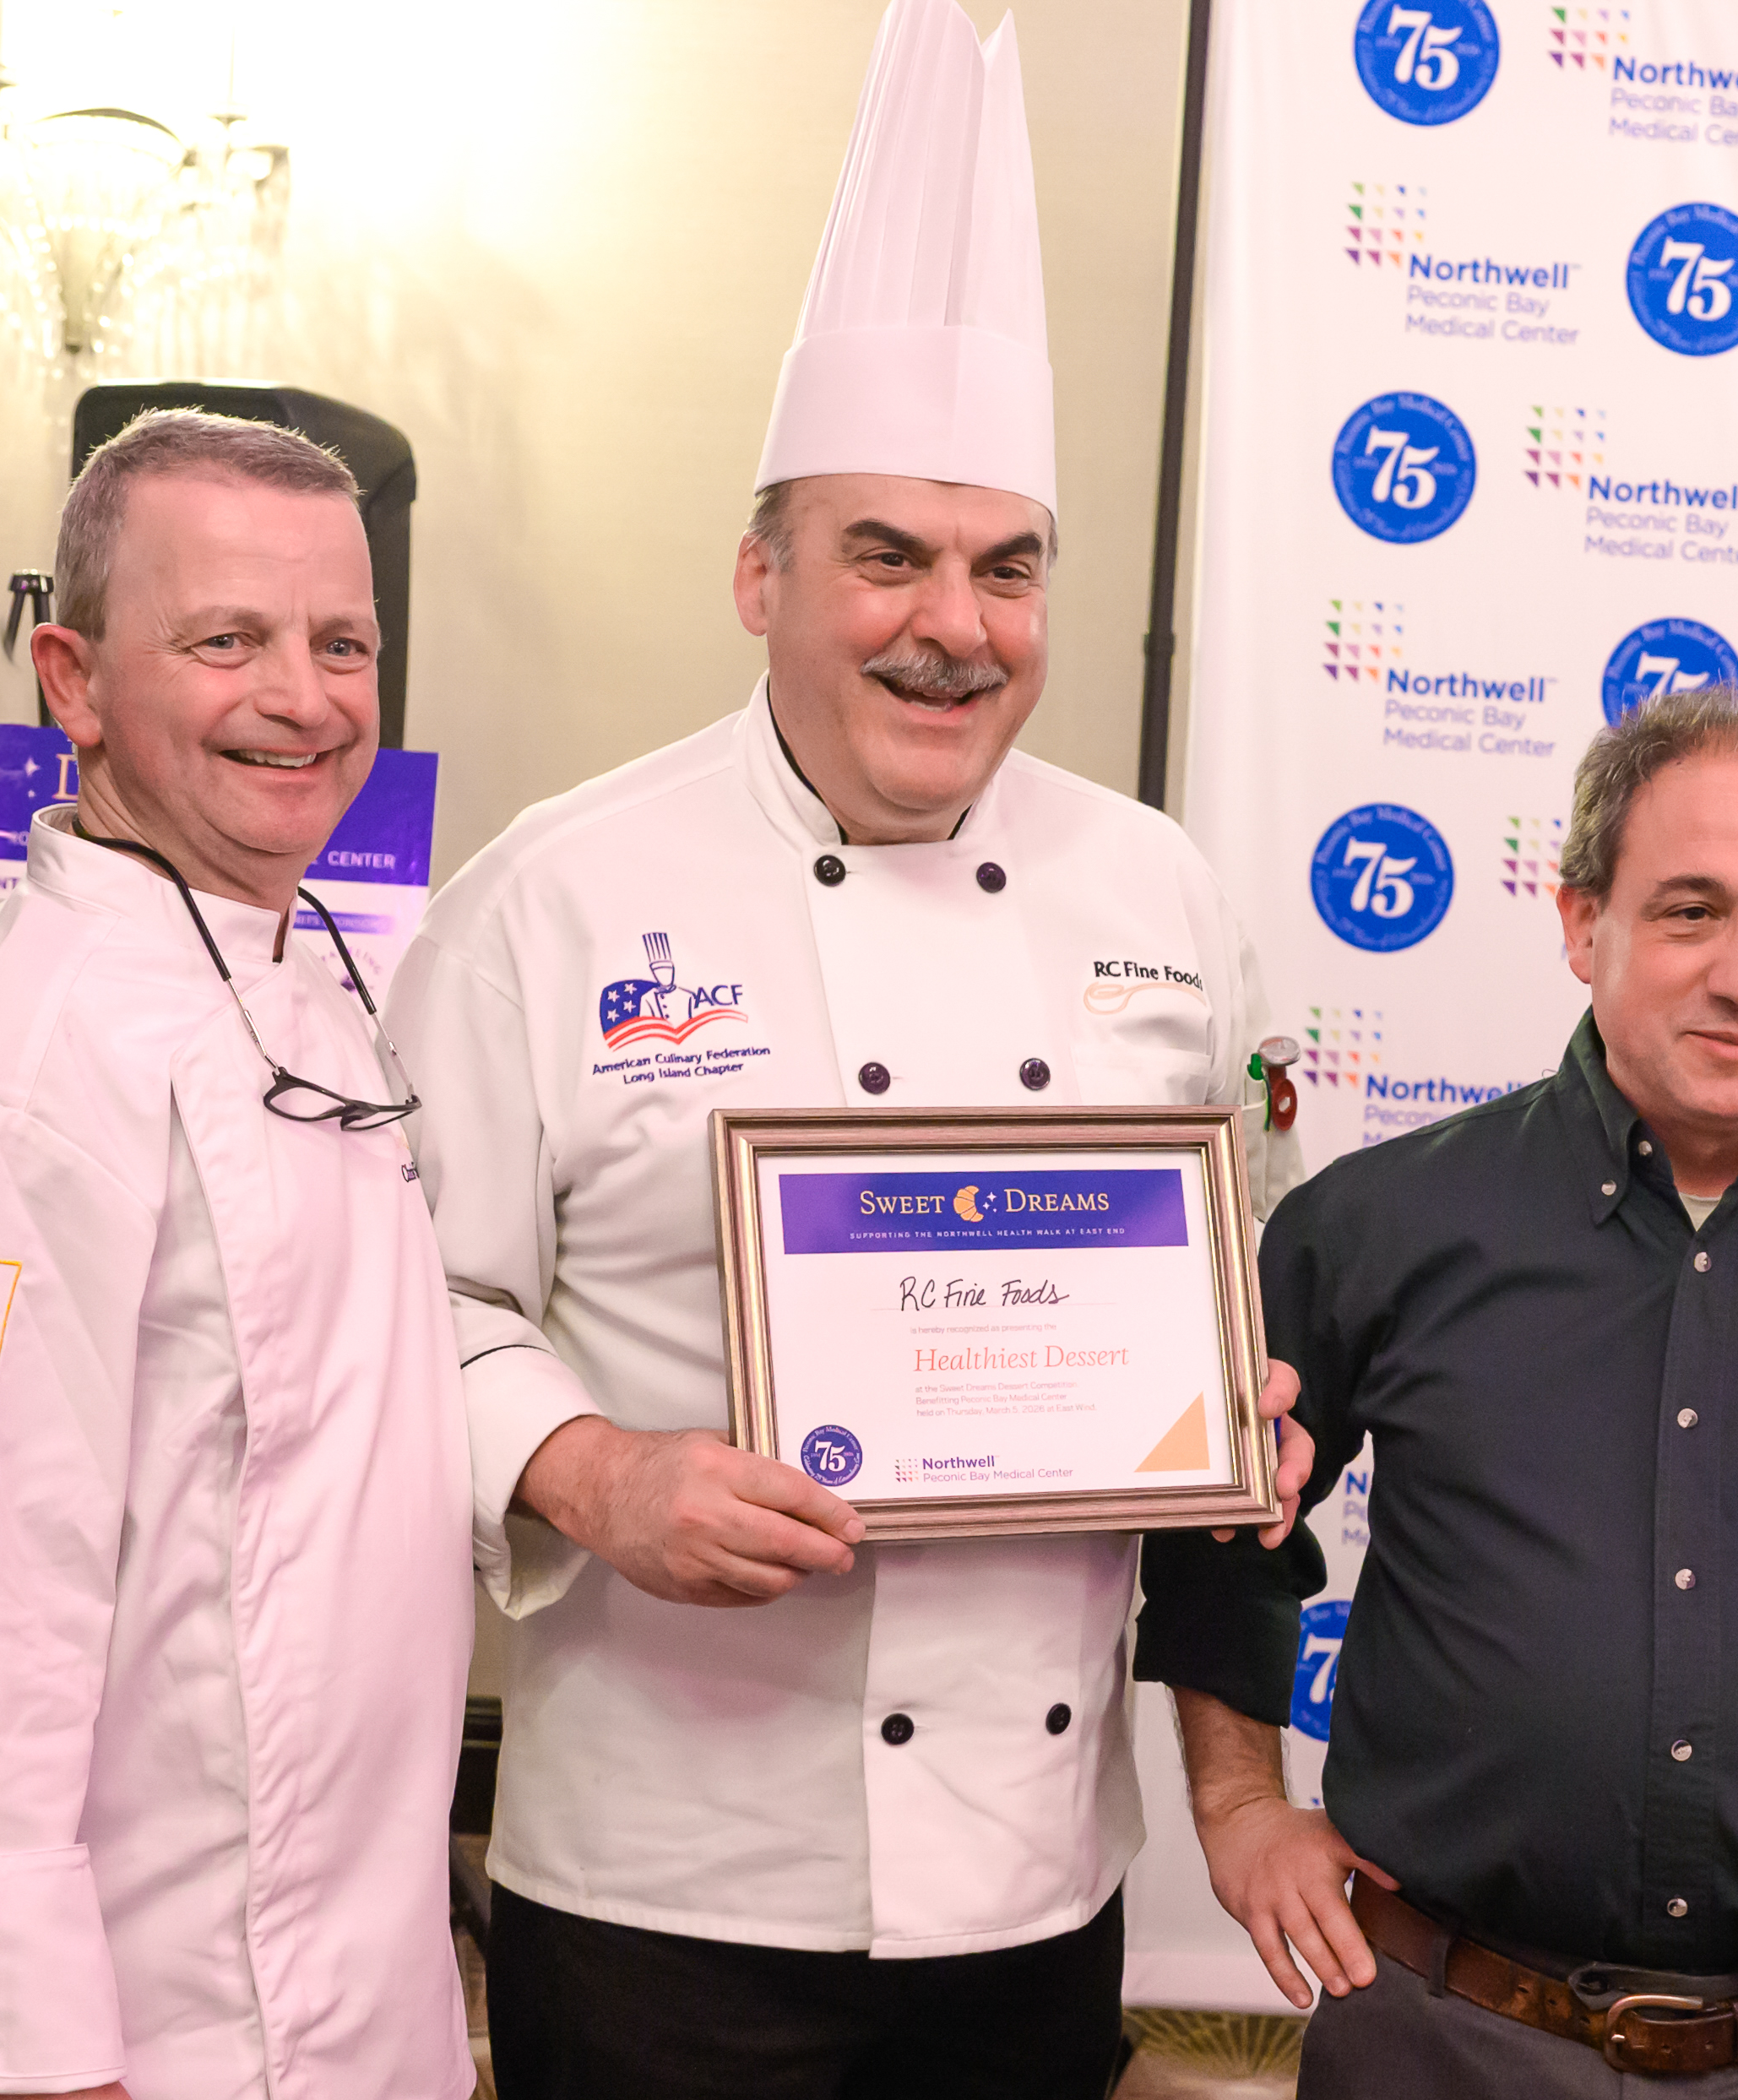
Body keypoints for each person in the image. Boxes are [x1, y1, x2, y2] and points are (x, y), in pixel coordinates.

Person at [385, 8, 1306, 2096]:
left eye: (1006, 567)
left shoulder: (1160, 887)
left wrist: (1237, 1400)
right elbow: (406, 1300)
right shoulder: (556, 892)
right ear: (760, 574)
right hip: (669, 1872)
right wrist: (595, 1471)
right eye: (886, 554)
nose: (951, 624)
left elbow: (1234, 1269)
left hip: (1036, 1884)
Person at [1163, 687, 1738, 2096]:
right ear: (1580, 923)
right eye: (1690, 911)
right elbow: (1219, 1522)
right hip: (1440, 2036)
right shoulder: (1377, 1227)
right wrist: (1240, 1804)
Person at [0, 409, 475, 2098]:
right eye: (226, 641)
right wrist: (27, 2048)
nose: (304, 698)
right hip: (147, 2032)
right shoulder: (15, 1056)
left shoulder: (301, 972)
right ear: (75, 680)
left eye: (342, 644)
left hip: (354, 1979)